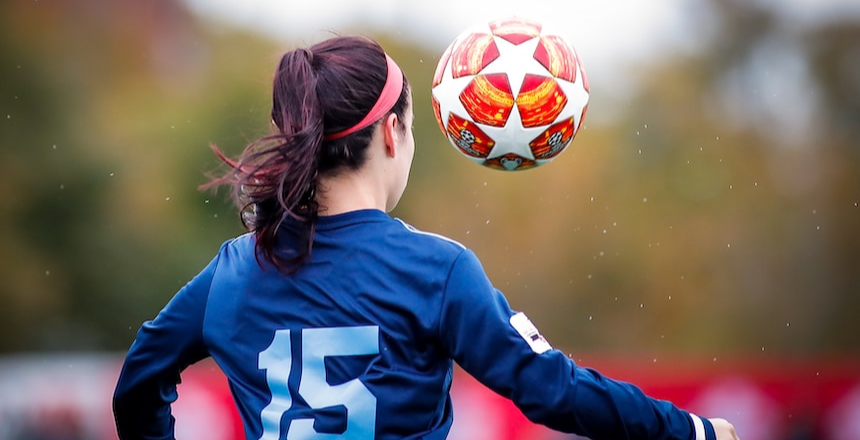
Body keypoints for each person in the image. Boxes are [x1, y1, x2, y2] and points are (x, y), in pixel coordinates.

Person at [112, 35, 740, 440]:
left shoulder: (234, 271)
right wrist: (690, 432)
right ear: (391, 133)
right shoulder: (434, 270)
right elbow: (552, 390)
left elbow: (139, 380)